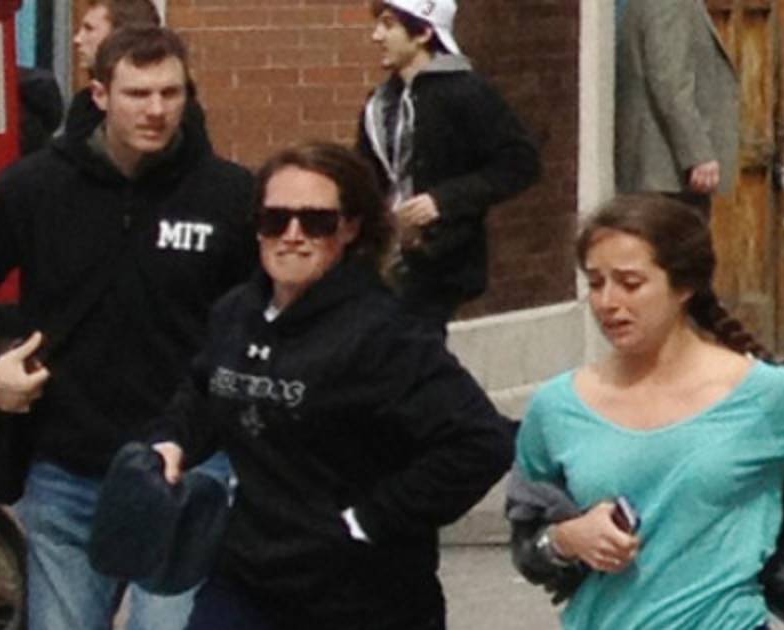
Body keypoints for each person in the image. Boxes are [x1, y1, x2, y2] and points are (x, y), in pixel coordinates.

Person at [0, 26, 256, 630]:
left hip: (186, 468)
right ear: (100, 94)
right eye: (137, 94)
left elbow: (258, 320)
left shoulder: (229, 196)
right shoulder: (37, 186)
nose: (156, 110)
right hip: (67, 473)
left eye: (170, 93)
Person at [507, 194, 784, 629]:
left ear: (684, 287)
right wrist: (565, 540)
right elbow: (528, 540)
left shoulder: (762, 395)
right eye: (596, 283)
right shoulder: (557, 407)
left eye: (630, 283)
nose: (607, 301)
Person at [149, 141, 515, 629]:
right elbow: (204, 388)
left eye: (316, 222)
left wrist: (368, 520)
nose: (292, 236)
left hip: (362, 599)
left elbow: (480, 442)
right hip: (246, 581)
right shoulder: (236, 313)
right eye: (274, 220)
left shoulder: (385, 334)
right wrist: (173, 441)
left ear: (350, 228)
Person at [358, 0, 541, 334]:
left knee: (415, 347)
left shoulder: (467, 93)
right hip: (384, 254)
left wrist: (442, 201)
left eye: (388, 24)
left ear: (423, 33)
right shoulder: (380, 103)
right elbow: (366, 174)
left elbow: (520, 162)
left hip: (440, 259)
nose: (376, 36)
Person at [615, 0, 738, 214]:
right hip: (666, 174)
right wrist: (698, 153)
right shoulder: (670, 3)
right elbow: (670, 84)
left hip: (659, 175)